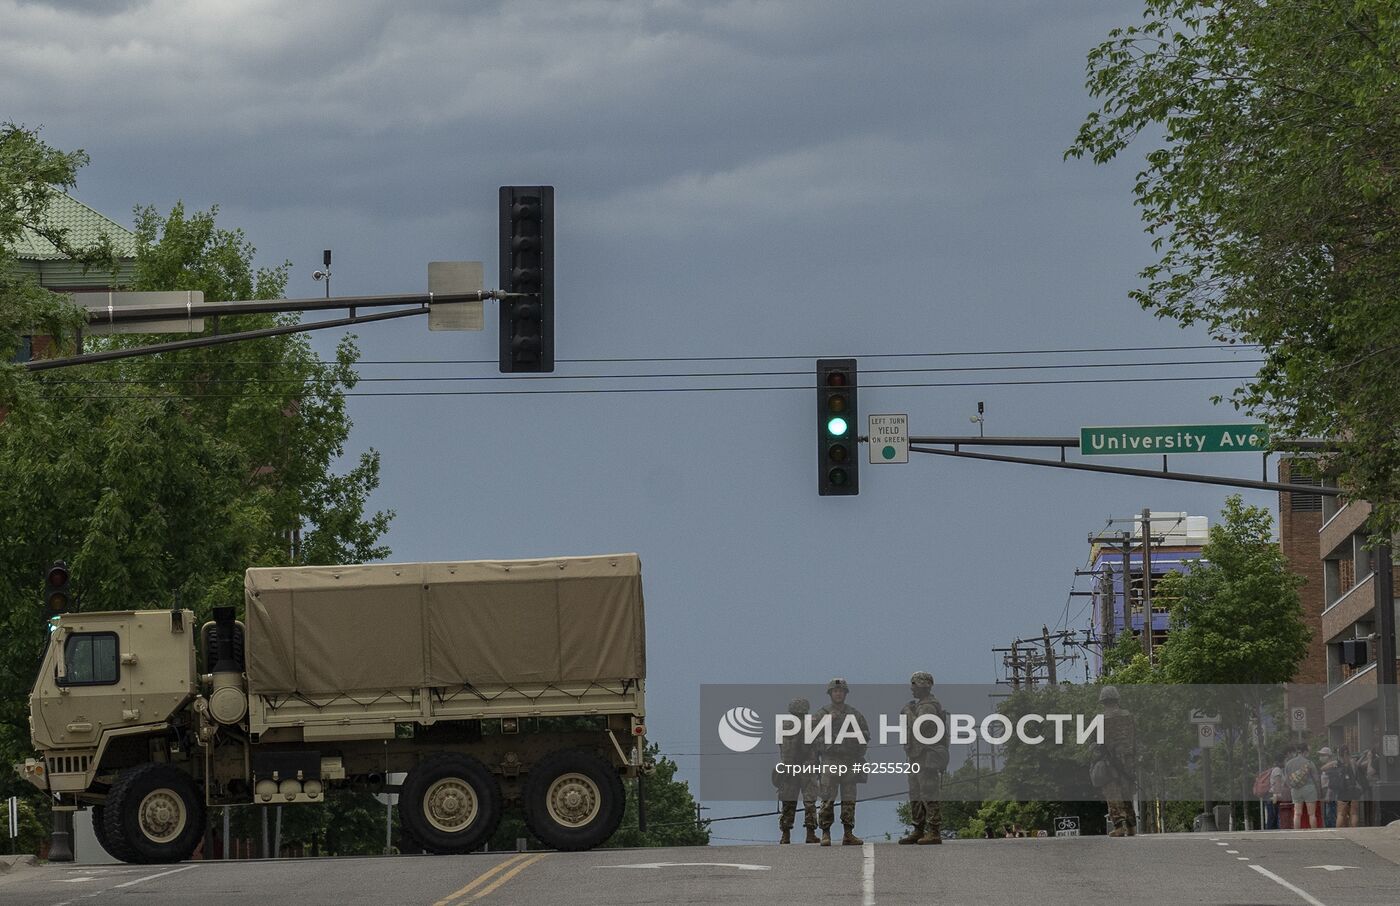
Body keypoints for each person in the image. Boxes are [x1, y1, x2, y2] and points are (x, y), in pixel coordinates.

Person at [897, 671, 950, 845]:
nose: (912, 688)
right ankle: (918, 829)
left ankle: (933, 830)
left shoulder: (928, 706)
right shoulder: (921, 705)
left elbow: (919, 727)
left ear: (922, 686)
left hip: (926, 755)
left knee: (928, 792)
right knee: (915, 793)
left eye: (914, 685)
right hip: (917, 755)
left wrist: (907, 711)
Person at [815, 677, 869, 846]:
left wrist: (854, 744)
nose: (838, 694)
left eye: (841, 691)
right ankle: (825, 833)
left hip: (849, 761)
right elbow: (810, 736)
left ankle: (848, 833)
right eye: (835, 691)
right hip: (830, 760)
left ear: (845, 694)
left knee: (849, 798)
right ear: (830, 693)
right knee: (827, 798)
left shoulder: (855, 714)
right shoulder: (822, 714)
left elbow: (865, 735)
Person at [775, 697, 820, 844]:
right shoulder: (811, 725)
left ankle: (785, 834)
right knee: (810, 801)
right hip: (807, 768)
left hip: (790, 768)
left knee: (788, 801)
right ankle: (810, 832)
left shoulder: (784, 725)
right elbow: (817, 747)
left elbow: (783, 749)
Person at [1094, 685, 1137, 836]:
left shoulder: (1102, 719)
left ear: (1104, 701)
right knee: (1126, 792)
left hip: (1111, 762)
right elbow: (1135, 738)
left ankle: (1119, 826)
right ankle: (1132, 826)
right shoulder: (1129, 715)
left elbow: (1098, 742)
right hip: (1129, 761)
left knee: (1112, 793)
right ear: (1117, 699)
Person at [1284, 744, 1320, 829]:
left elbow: (1286, 780)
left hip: (1295, 789)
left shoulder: (1289, 763)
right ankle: (1314, 833)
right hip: (1309, 788)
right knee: (1311, 814)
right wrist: (1319, 791)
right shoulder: (1309, 763)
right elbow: (1316, 779)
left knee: (1297, 813)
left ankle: (1297, 833)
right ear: (1305, 752)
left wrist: (1292, 787)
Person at [1334, 745, 1361, 829]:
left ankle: (1338, 832)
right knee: (1354, 813)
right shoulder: (1353, 762)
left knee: (1341, 814)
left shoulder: (1336, 763)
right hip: (1353, 790)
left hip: (1342, 791)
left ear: (1340, 753)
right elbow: (1357, 776)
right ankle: (1354, 831)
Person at [1318, 746, 1340, 828]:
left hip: (1331, 793)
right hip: (1326, 793)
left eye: (1323, 755)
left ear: (1328, 756)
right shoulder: (1326, 766)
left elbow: (1332, 781)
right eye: (1320, 755)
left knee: (1330, 814)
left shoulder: (1332, 766)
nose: (1321, 757)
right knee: (1328, 814)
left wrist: (1328, 794)